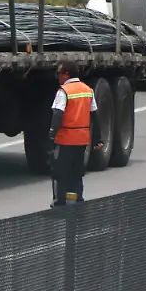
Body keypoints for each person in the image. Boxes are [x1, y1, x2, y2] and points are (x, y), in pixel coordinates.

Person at [47, 61, 104, 207]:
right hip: (82, 140)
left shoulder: (64, 91)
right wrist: (98, 139)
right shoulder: (88, 90)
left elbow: (58, 115)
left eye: (59, 73)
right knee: (76, 173)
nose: (58, 76)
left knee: (60, 173)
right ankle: (78, 202)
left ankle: (60, 203)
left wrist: (51, 137)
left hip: (65, 139)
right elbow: (95, 116)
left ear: (67, 74)